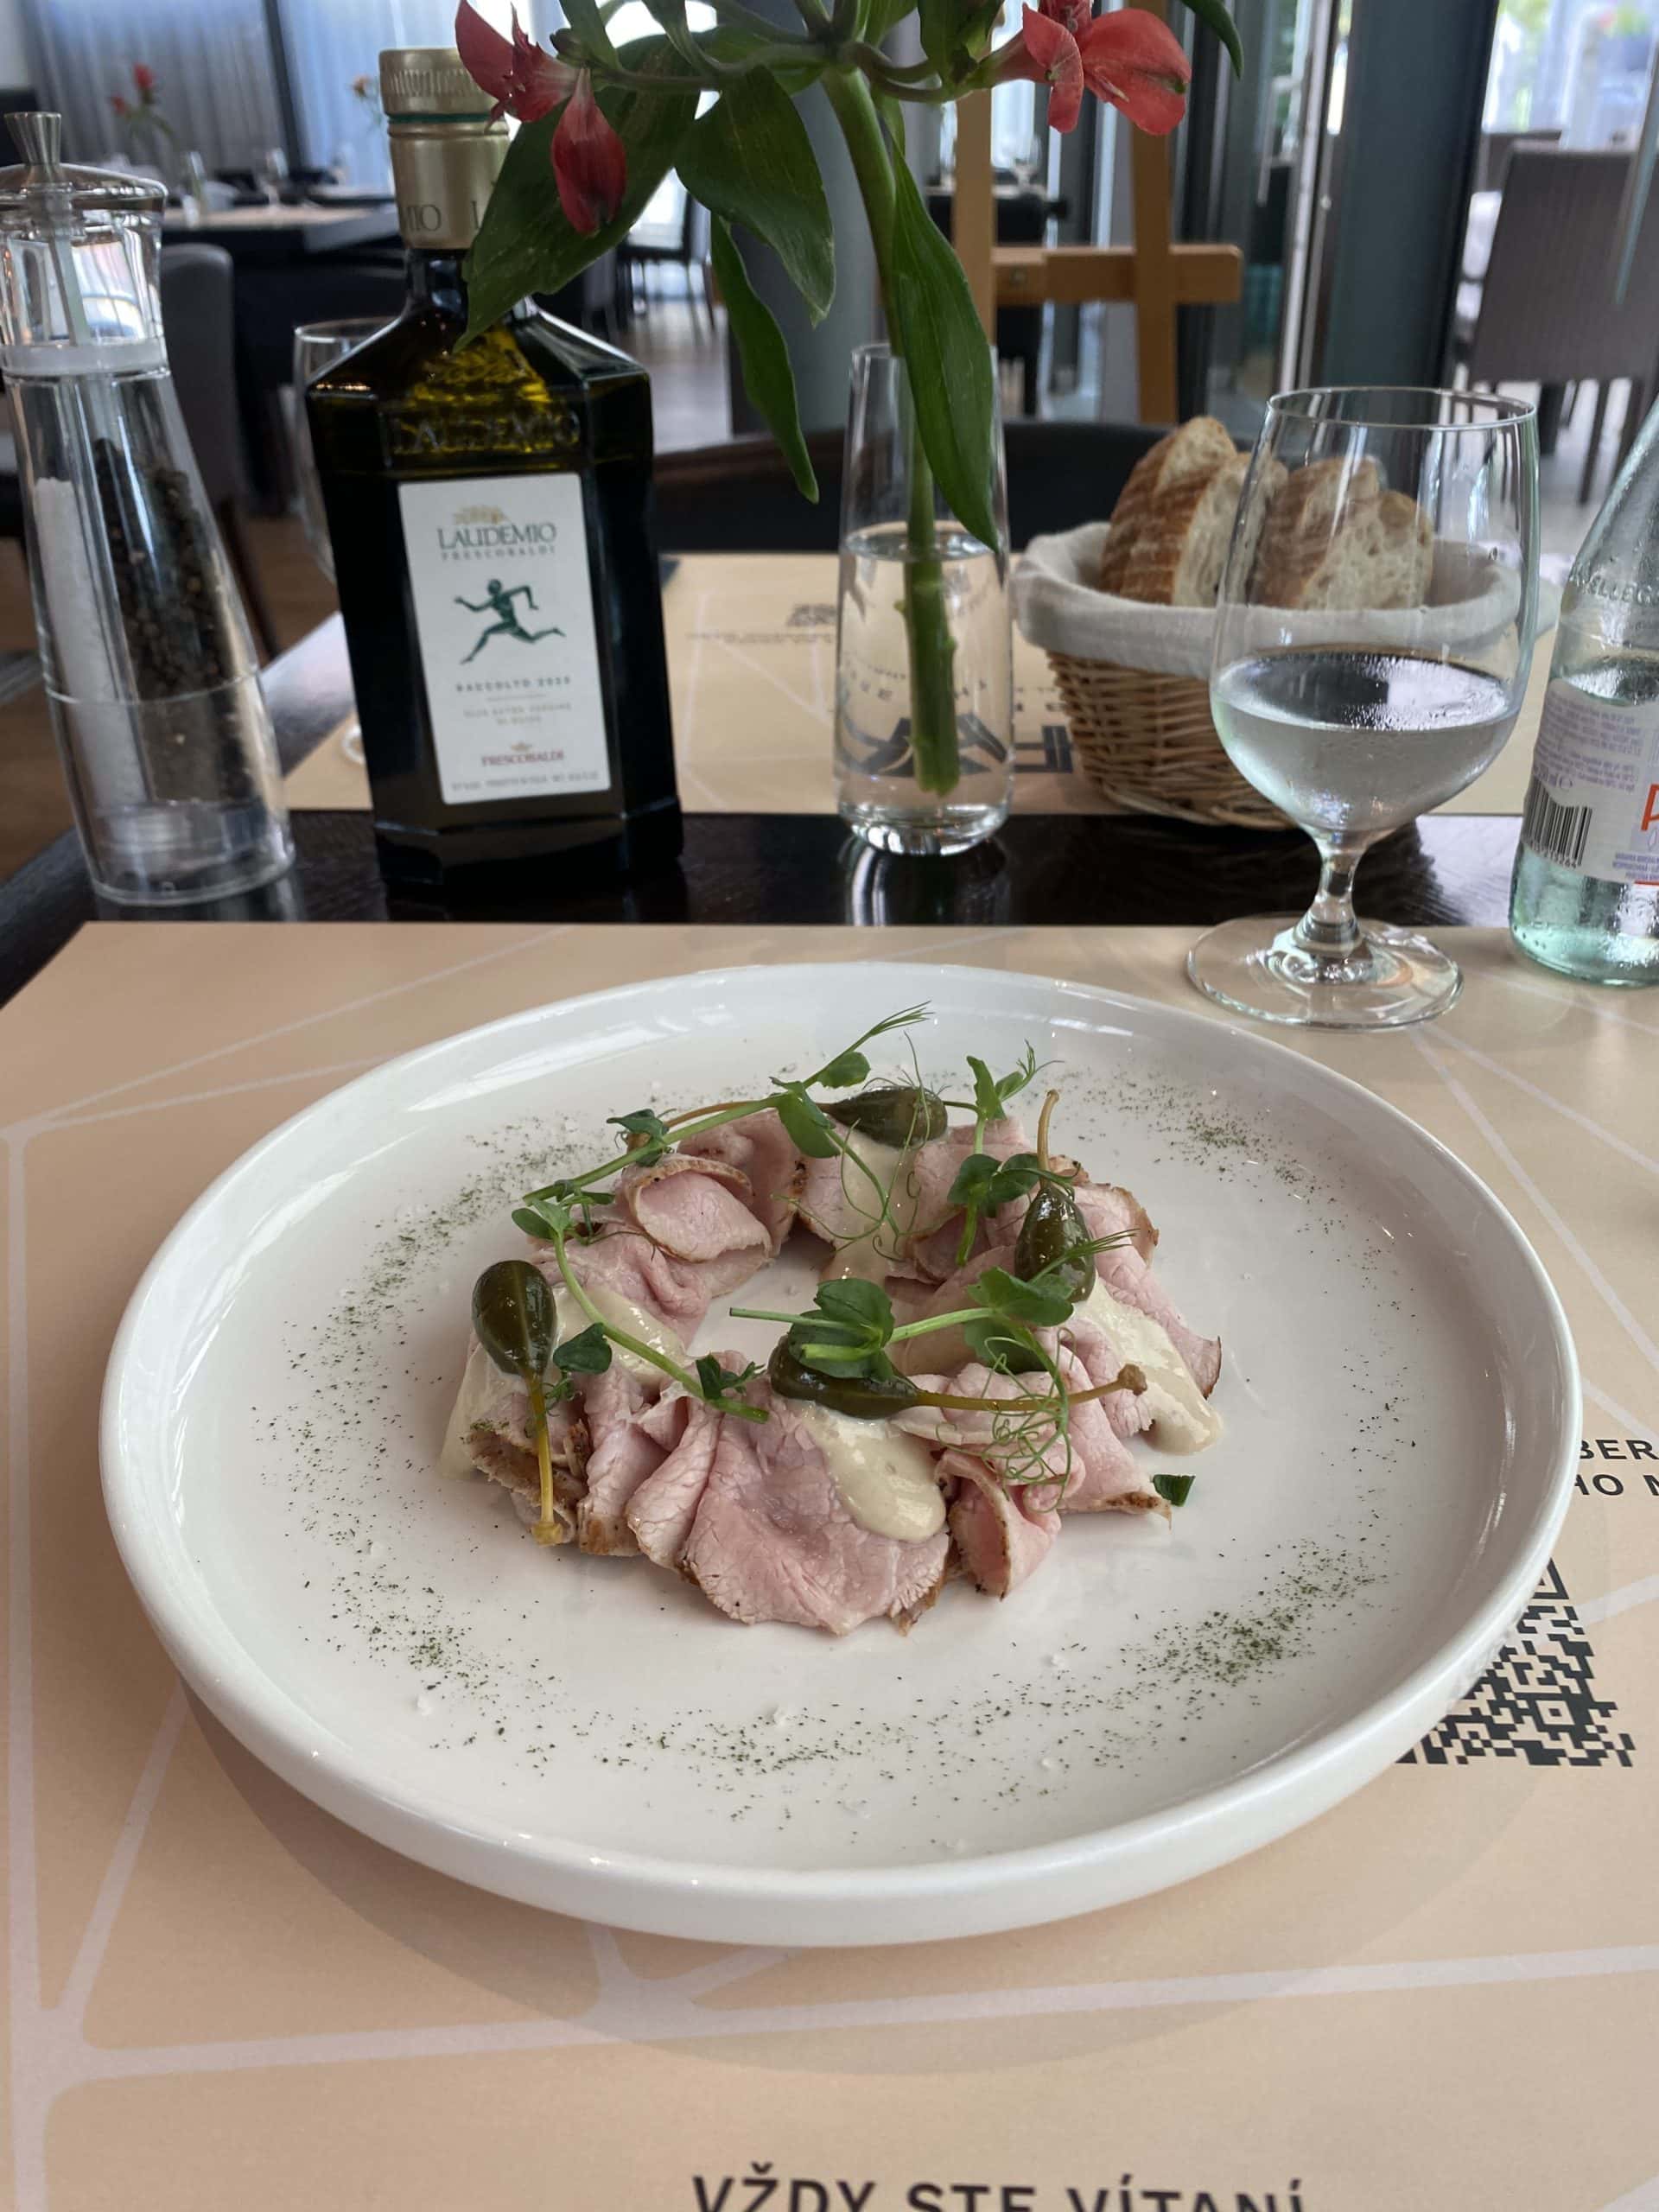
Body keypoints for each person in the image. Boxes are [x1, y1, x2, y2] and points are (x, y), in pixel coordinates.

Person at [454, 579, 564, 662]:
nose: (491, 590)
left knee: (486, 633)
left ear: (495, 589)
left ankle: (472, 656)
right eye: (491, 588)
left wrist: (531, 604)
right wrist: (464, 603)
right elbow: (476, 609)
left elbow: (526, 588)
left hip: (510, 624)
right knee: (531, 639)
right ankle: (553, 630)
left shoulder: (503, 596)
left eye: (492, 588)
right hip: (512, 625)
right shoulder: (493, 601)